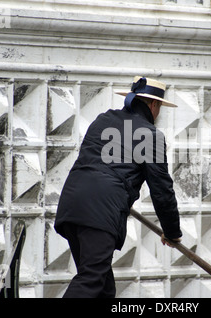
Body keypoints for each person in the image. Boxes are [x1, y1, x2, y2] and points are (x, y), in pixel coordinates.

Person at [54, 76, 183, 298]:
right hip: (101, 211)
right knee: (91, 279)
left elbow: (98, 163)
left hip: (71, 205)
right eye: (160, 107)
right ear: (154, 104)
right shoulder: (151, 135)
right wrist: (172, 232)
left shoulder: (103, 120)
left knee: (103, 288)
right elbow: (161, 189)